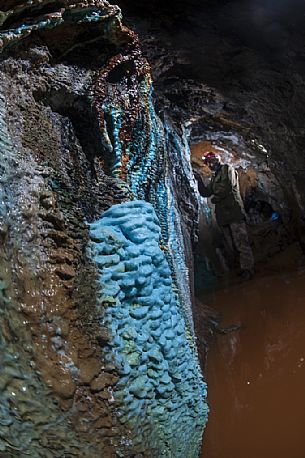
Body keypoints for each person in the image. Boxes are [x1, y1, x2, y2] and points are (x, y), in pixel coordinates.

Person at [194, 152, 254, 280]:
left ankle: (248, 269)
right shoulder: (214, 177)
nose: (210, 165)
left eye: (211, 161)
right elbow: (206, 193)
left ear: (217, 159)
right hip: (223, 217)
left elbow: (226, 187)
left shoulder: (227, 169)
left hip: (234, 213)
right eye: (208, 163)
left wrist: (215, 198)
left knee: (241, 242)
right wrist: (199, 180)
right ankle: (241, 268)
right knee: (231, 244)